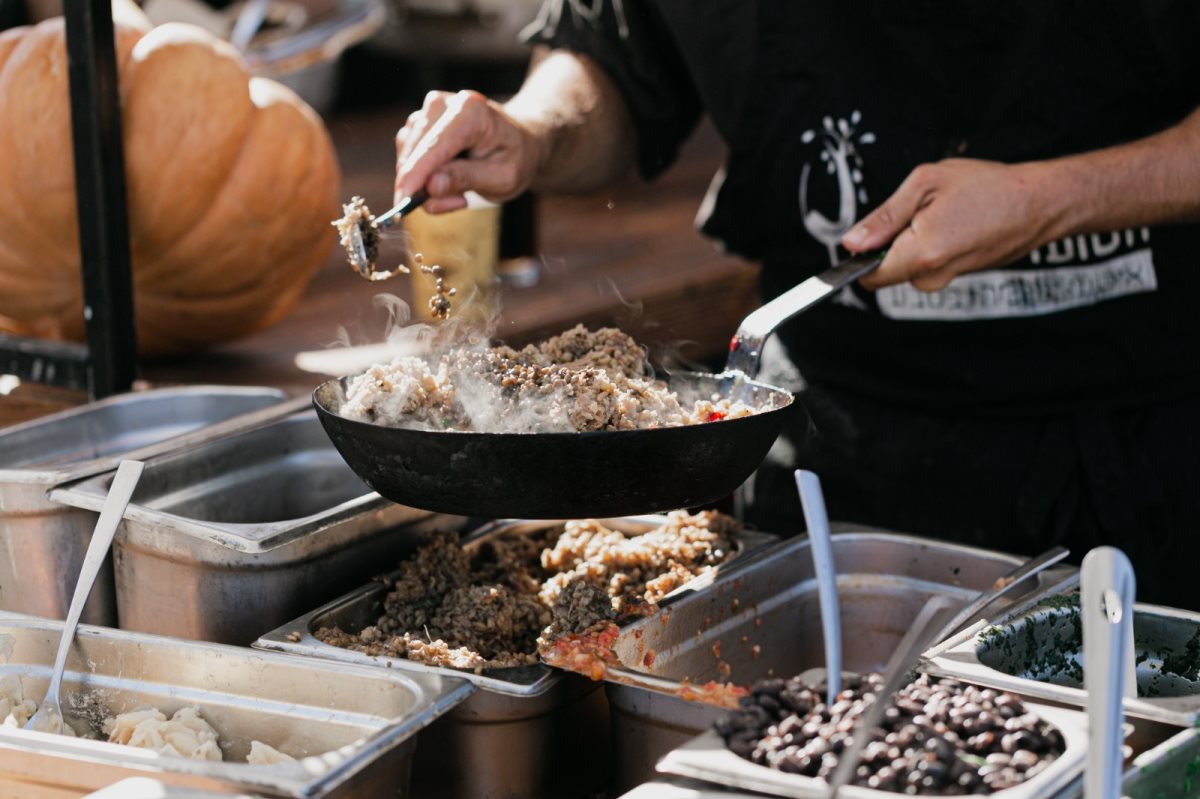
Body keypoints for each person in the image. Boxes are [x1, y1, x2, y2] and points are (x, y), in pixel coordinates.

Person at [393, 1, 1200, 609]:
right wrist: (529, 130)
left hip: (1142, 446)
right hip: (830, 454)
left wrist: (1051, 199)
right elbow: (622, 54)